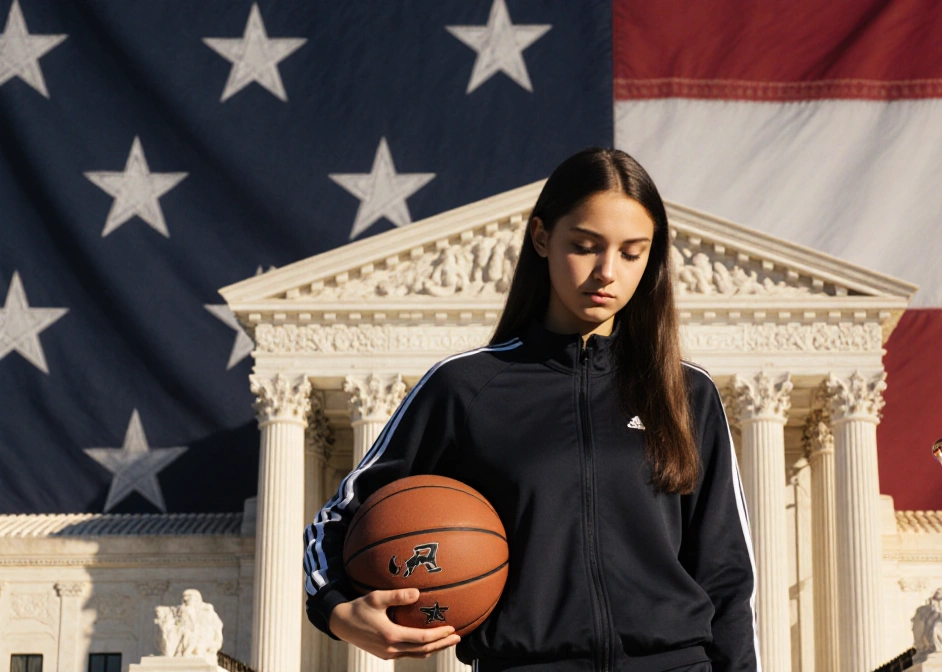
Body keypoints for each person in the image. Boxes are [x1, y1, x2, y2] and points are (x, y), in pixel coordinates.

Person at [303, 147, 760, 671]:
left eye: (632, 253)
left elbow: (726, 578)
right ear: (542, 237)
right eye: (585, 246)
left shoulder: (687, 393)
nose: (607, 272)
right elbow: (336, 521)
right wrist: (338, 611)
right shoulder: (464, 388)